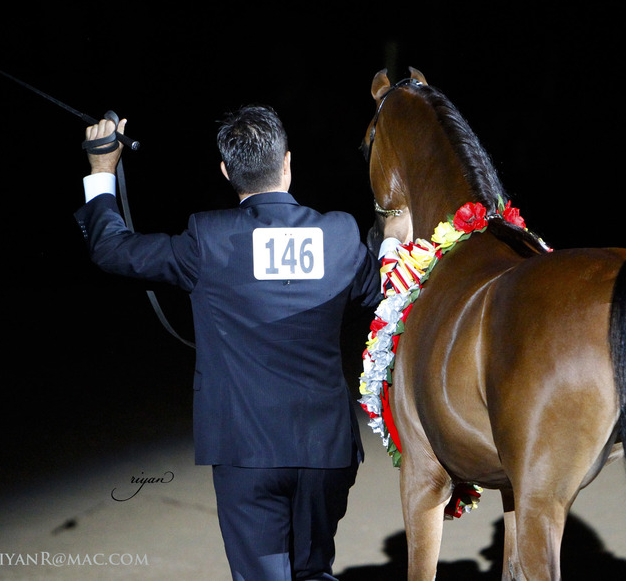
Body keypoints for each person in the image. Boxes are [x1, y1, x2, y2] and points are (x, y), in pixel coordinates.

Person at [74, 105, 410, 580]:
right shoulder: (339, 233)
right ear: (287, 163)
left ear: (227, 172)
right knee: (313, 572)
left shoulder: (206, 238)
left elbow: (112, 249)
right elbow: (383, 291)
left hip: (245, 450)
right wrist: (392, 239)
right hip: (325, 451)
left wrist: (101, 169)